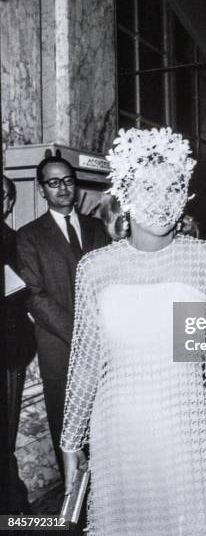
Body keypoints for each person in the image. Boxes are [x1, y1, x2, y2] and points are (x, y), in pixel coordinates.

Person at [60, 127, 206, 536]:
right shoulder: (95, 268)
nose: (161, 202)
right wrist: (70, 443)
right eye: (147, 188)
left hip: (187, 427)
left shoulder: (205, 258)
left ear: (185, 194)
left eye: (172, 188)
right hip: (122, 433)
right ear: (125, 190)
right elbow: (86, 360)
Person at [16, 156, 110, 476]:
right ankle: (76, 517)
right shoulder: (27, 236)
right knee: (68, 436)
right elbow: (33, 296)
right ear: (41, 190)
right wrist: (81, 335)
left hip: (105, 351)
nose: (62, 188)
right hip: (61, 351)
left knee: (106, 433)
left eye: (68, 180)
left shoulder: (97, 228)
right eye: (53, 182)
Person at [2, 175, 36, 512]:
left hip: (8, 353)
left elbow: (25, 295)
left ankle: (12, 512)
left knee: (3, 436)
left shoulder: (18, 241)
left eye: (2, 195)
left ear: (10, 203)